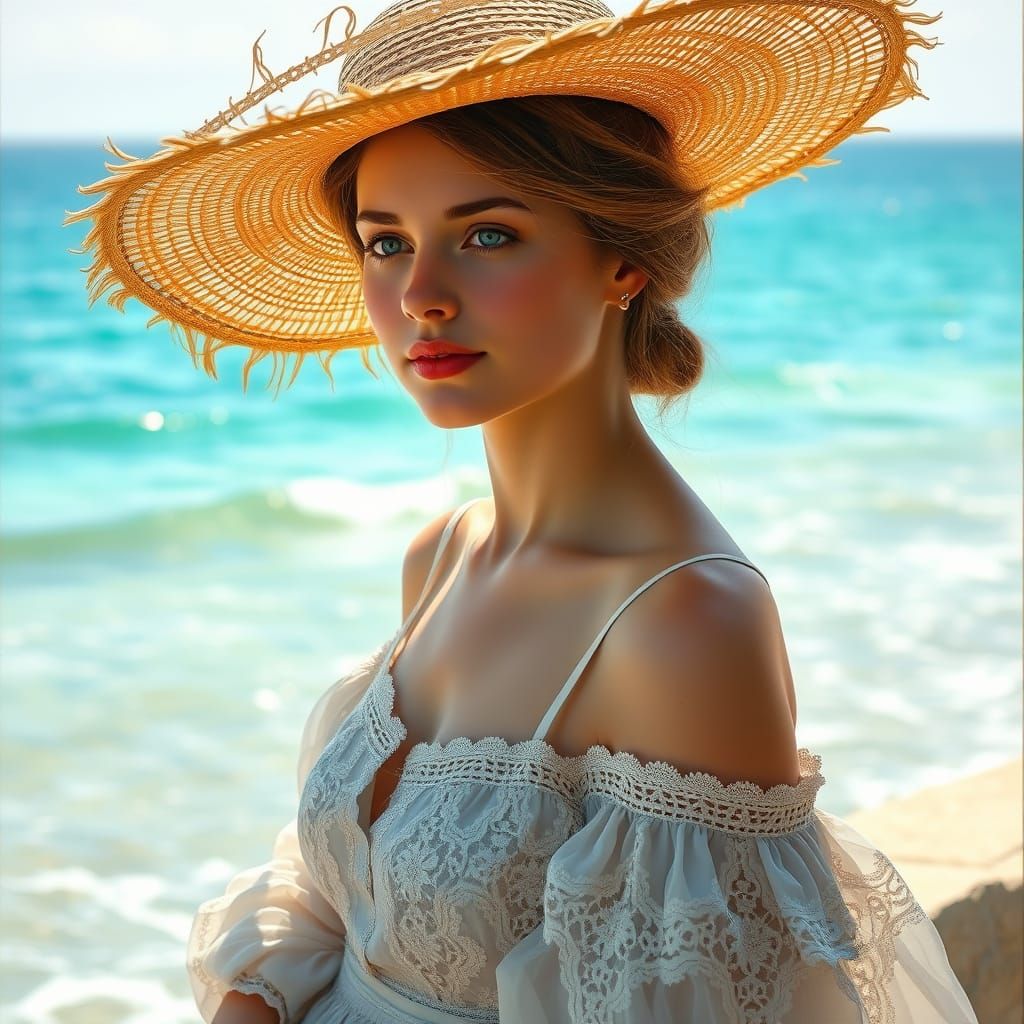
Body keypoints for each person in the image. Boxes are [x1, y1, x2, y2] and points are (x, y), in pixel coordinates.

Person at [66, 0, 981, 1021]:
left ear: (622, 259)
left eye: (486, 234)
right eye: (383, 242)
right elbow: (345, 895)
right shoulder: (442, 555)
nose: (420, 294)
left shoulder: (682, 623)